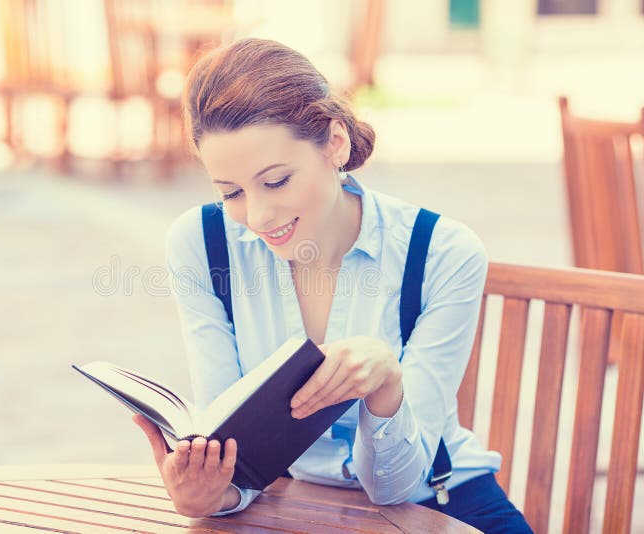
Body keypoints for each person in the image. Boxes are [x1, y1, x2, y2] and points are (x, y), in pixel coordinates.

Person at [132, 38, 533, 533]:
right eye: (231, 192)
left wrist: (386, 383)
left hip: (440, 501)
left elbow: (396, 487)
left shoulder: (443, 253)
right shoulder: (201, 244)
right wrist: (210, 492)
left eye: (276, 181)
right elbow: (235, 452)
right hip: (289, 504)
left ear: (335, 143)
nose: (257, 216)